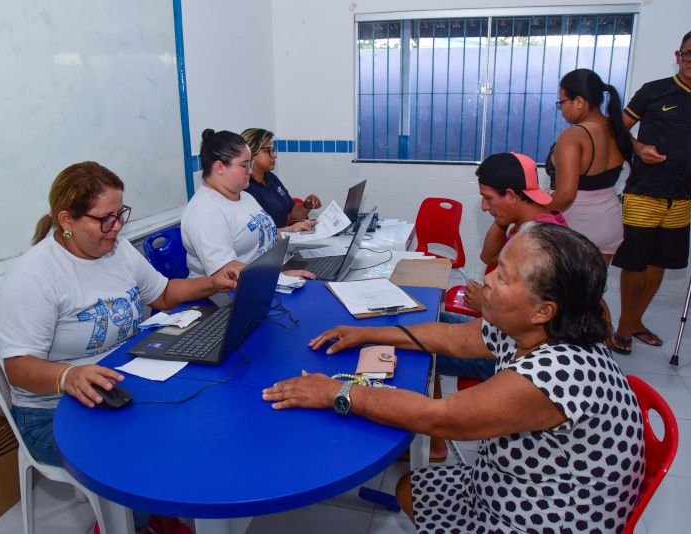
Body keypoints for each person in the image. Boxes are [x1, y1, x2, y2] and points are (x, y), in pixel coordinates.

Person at [263, 222, 644, 532]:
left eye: (505, 277)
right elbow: (453, 339)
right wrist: (368, 332)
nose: (488, 280)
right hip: (508, 484)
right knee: (411, 488)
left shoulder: (557, 373)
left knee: (413, 485)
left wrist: (336, 392)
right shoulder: (537, 329)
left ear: (543, 309)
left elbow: (440, 417)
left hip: (546, 518)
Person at [0, 161, 238, 534]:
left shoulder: (118, 250)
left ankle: (157, 512)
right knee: (137, 462)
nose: (116, 228)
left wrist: (214, 282)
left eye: (120, 215)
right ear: (66, 220)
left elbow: (163, 294)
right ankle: (132, 521)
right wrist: (69, 375)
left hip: (120, 382)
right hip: (52, 412)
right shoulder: (35, 276)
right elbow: (17, 368)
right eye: (104, 219)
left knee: (196, 417)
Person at [611, 26, 691, 355]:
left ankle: (635, 321)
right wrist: (637, 148)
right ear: (678, 56)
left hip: (682, 197)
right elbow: (617, 129)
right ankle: (622, 326)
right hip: (643, 192)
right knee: (635, 263)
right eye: (689, 53)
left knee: (659, 264)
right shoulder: (654, 91)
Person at [181, 129, 315, 278]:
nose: (250, 171)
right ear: (219, 167)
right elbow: (227, 272)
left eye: (250, 164)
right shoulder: (205, 212)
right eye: (245, 165)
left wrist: (290, 230)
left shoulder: (243, 196)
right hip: (227, 295)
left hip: (265, 276)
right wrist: (280, 276)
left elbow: (260, 234)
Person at [461, 152, 567, 314]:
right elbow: (489, 257)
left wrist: (487, 303)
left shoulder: (540, 241)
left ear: (511, 195)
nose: (484, 207)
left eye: (488, 198)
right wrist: (503, 214)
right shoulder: (526, 223)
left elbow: (538, 315)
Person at [546, 68, 632, 262]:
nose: (561, 109)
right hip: (610, 220)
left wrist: (533, 212)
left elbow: (565, 196)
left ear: (579, 102)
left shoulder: (573, 136)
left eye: (562, 102)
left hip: (578, 225)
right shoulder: (617, 128)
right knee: (592, 290)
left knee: (564, 289)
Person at [241, 128, 322, 226]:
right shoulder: (245, 187)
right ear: (250, 153)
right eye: (269, 151)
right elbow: (256, 232)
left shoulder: (270, 178)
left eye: (273, 150)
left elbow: (290, 216)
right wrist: (289, 230)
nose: (274, 155)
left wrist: (306, 206)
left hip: (284, 238)